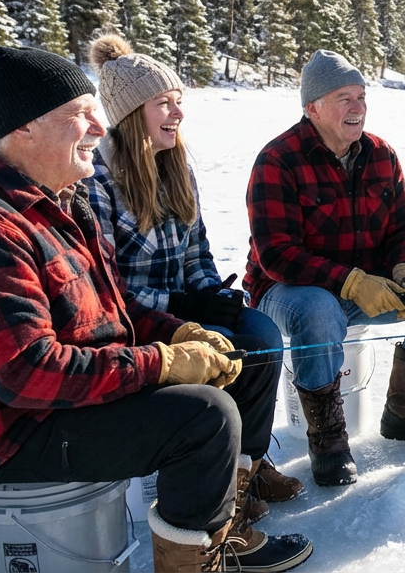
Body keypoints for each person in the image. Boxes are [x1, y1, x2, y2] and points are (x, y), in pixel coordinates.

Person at [0, 46, 311, 572]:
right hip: (9, 432)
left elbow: (114, 309)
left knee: (240, 359)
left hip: (59, 399)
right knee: (204, 417)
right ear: (24, 127)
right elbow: (27, 374)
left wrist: (181, 331)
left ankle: (226, 517)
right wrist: (162, 363)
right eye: (80, 114)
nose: (100, 127)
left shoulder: (60, 201)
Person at [83, 32, 304, 524]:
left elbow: (196, 251)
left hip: (186, 305)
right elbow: (106, 288)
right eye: (163, 103)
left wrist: (210, 291)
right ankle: (217, 480)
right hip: (137, 324)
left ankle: (248, 464)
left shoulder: (177, 165)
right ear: (130, 113)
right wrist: (185, 308)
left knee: (262, 335)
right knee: (225, 346)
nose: (178, 113)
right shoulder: (97, 180)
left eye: (178, 100)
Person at [246, 49, 405, 488]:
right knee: (318, 307)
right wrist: (350, 282)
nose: (357, 107)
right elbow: (277, 254)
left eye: (362, 96)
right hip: (286, 294)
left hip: (368, 287)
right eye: (344, 98)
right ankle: (327, 438)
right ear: (312, 108)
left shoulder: (380, 154)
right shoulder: (278, 160)